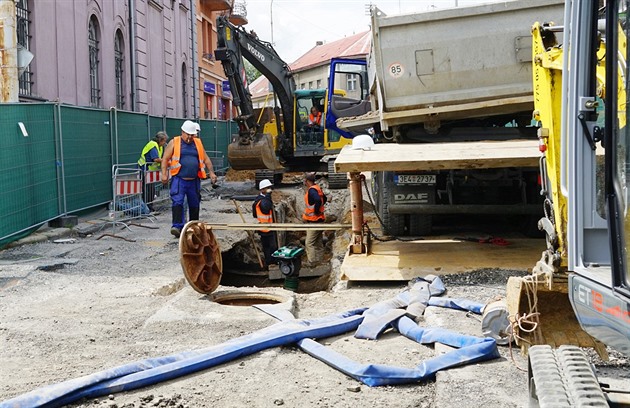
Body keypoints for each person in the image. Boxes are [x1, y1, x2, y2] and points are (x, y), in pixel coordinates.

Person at [161, 120, 217, 238]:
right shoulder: (174, 142)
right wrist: (164, 174)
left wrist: (211, 172)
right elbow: (165, 158)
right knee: (178, 202)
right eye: (188, 134)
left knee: (194, 203)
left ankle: (193, 226)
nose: (190, 137)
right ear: (183, 132)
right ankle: (177, 226)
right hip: (179, 179)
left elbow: (206, 159)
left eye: (192, 135)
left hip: (194, 180)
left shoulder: (197, 143)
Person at [138, 131, 168, 211]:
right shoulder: (153, 145)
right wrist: (165, 161)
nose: (165, 143)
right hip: (144, 169)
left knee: (150, 190)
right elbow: (156, 159)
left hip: (149, 170)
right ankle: (147, 207)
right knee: (148, 190)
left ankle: (149, 207)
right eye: (164, 140)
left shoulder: (159, 146)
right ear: (161, 140)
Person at [302, 172, 327, 265]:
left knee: (309, 243)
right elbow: (324, 198)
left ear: (307, 181)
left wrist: (316, 211)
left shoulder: (312, 191)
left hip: (314, 221)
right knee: (318, 242)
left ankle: (312, 262)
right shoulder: (317, 188)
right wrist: (319, 209)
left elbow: (317, 200)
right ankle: (320, 260)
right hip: (320, 219)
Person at [252, 179, 278, 269]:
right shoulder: (261, 200)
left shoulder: (261, 199)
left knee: (268, 247)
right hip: (266, 228)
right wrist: (268, 195)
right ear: (262, 189)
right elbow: (266, 208)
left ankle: (270, 262)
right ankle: (271, 262)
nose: (269, 189)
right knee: (271, 247)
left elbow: (255, 214)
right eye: (267, 188)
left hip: (267, 227)